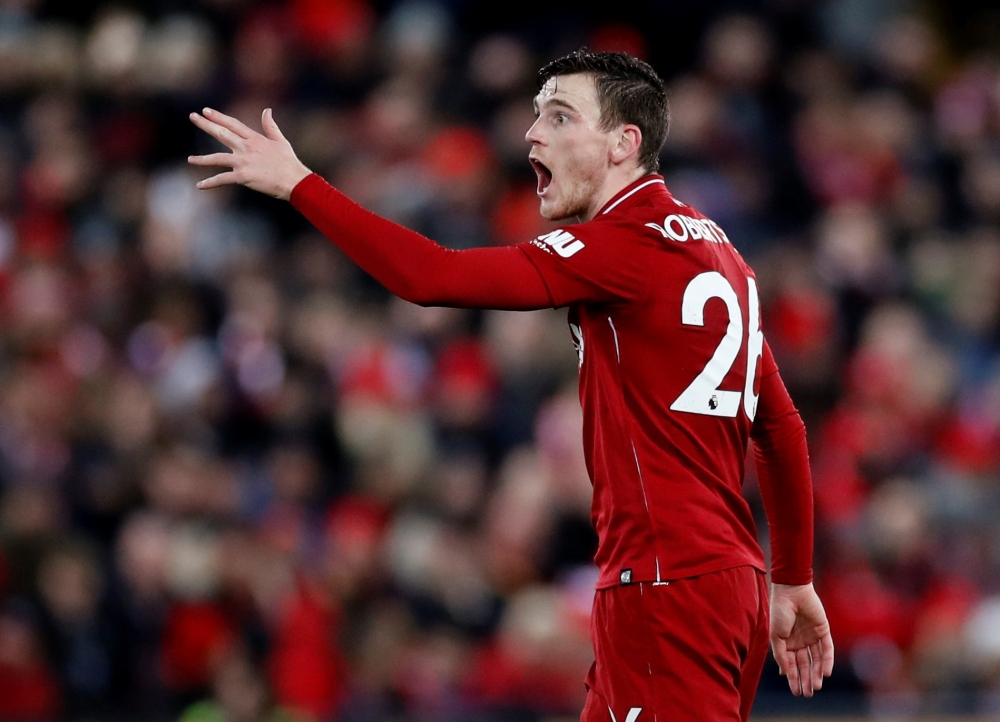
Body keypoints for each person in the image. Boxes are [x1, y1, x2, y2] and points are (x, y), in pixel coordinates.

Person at [189, 48, 833, 722]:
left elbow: (431, 276)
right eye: (535, 115)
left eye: (560, 117)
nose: (532, 134)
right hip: (721, 580)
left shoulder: (624, 245)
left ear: (623, 143)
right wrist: (792, 578)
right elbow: (780, 428)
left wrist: (300, 185)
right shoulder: (722, 255)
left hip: (665, 586)